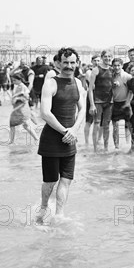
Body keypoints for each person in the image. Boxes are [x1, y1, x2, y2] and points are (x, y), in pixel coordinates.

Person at [36, 47, 86, 223]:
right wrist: (65, 131)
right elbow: (45, 113)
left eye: (72, 63)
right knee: (50, 181)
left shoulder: (78, 83)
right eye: (65, 63)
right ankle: (43, 208)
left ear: (77, 63)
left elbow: (82, 110)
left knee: (66, 180)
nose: (69, 66)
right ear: (58, 63)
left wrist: (74, 129)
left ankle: (59, 215)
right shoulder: (51, 83)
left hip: (69, 140)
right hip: (51, 139)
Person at [88, 50, 114, 152]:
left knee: (107, 125)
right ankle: (95, 149)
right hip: (98, 101)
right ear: (102, 57)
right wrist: (92, 104)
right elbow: (90, 89)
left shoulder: (112, 70)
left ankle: (106, 148)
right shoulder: (96, 70)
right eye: (105, 56)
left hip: (109, 101)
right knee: (96, 124)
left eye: (109, 57)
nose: (107, 58)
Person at [9, 73, 39, 144]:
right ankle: (11, 141)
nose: (13, 82)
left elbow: (26, 97)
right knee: (13, 124)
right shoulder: (17, 86)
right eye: (12, 80)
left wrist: (17, 98)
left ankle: (37, 139)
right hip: (17, 109)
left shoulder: (23, 87)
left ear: (19, 80)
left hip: (22, 109)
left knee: (25, 125)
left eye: (15, 80)